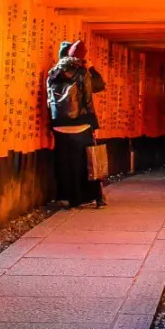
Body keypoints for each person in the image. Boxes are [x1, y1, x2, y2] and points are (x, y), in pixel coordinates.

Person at [47, 40, 107, 208]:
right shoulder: (82, 73)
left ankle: (67, 198)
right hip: (80, 125)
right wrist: (93, 125)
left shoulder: (52, 73)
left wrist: (50, 125)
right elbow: (88, 101)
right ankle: (92, 196)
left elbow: (48, 101)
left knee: (64, 163)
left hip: (59, 125)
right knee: (86, 161)